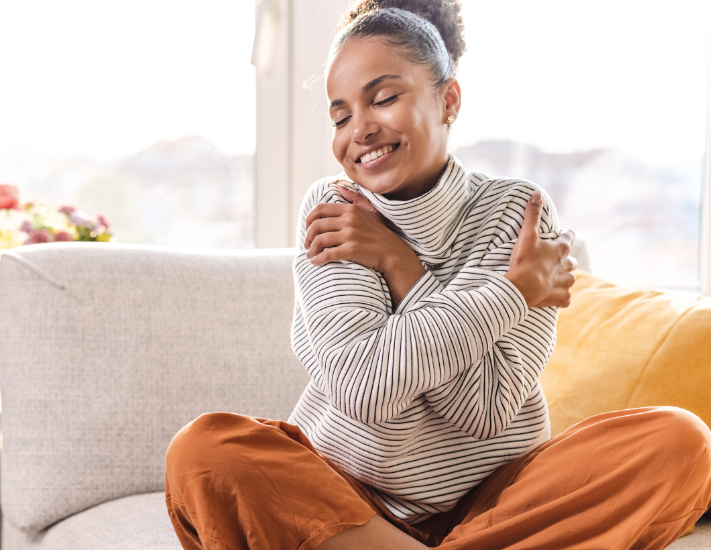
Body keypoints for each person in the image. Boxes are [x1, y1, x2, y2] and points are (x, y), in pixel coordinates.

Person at [165, 1, 711, 548]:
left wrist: (401, 265)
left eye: (382, 99)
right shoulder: (335, 210)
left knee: (682, 443)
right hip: (348, 500)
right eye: (340, 116)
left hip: (494, 501)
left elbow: (486, 410)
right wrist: (511, 293)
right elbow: (365, 389)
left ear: (447, 99)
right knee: (205, 453)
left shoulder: (516, 213)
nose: (360, 130)